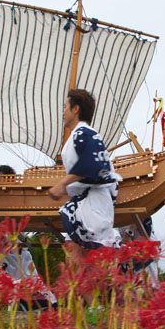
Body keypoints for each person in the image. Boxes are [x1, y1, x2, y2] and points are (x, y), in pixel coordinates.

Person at [48, 89, 121, 250]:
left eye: (65, 106)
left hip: (93, 206)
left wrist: (62, 184)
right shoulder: (83, 134)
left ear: (76, 109)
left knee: (86, 266)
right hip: (90, 204)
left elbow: (93, 165)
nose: (63, 112)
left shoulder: (84, 133)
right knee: (75, 261)